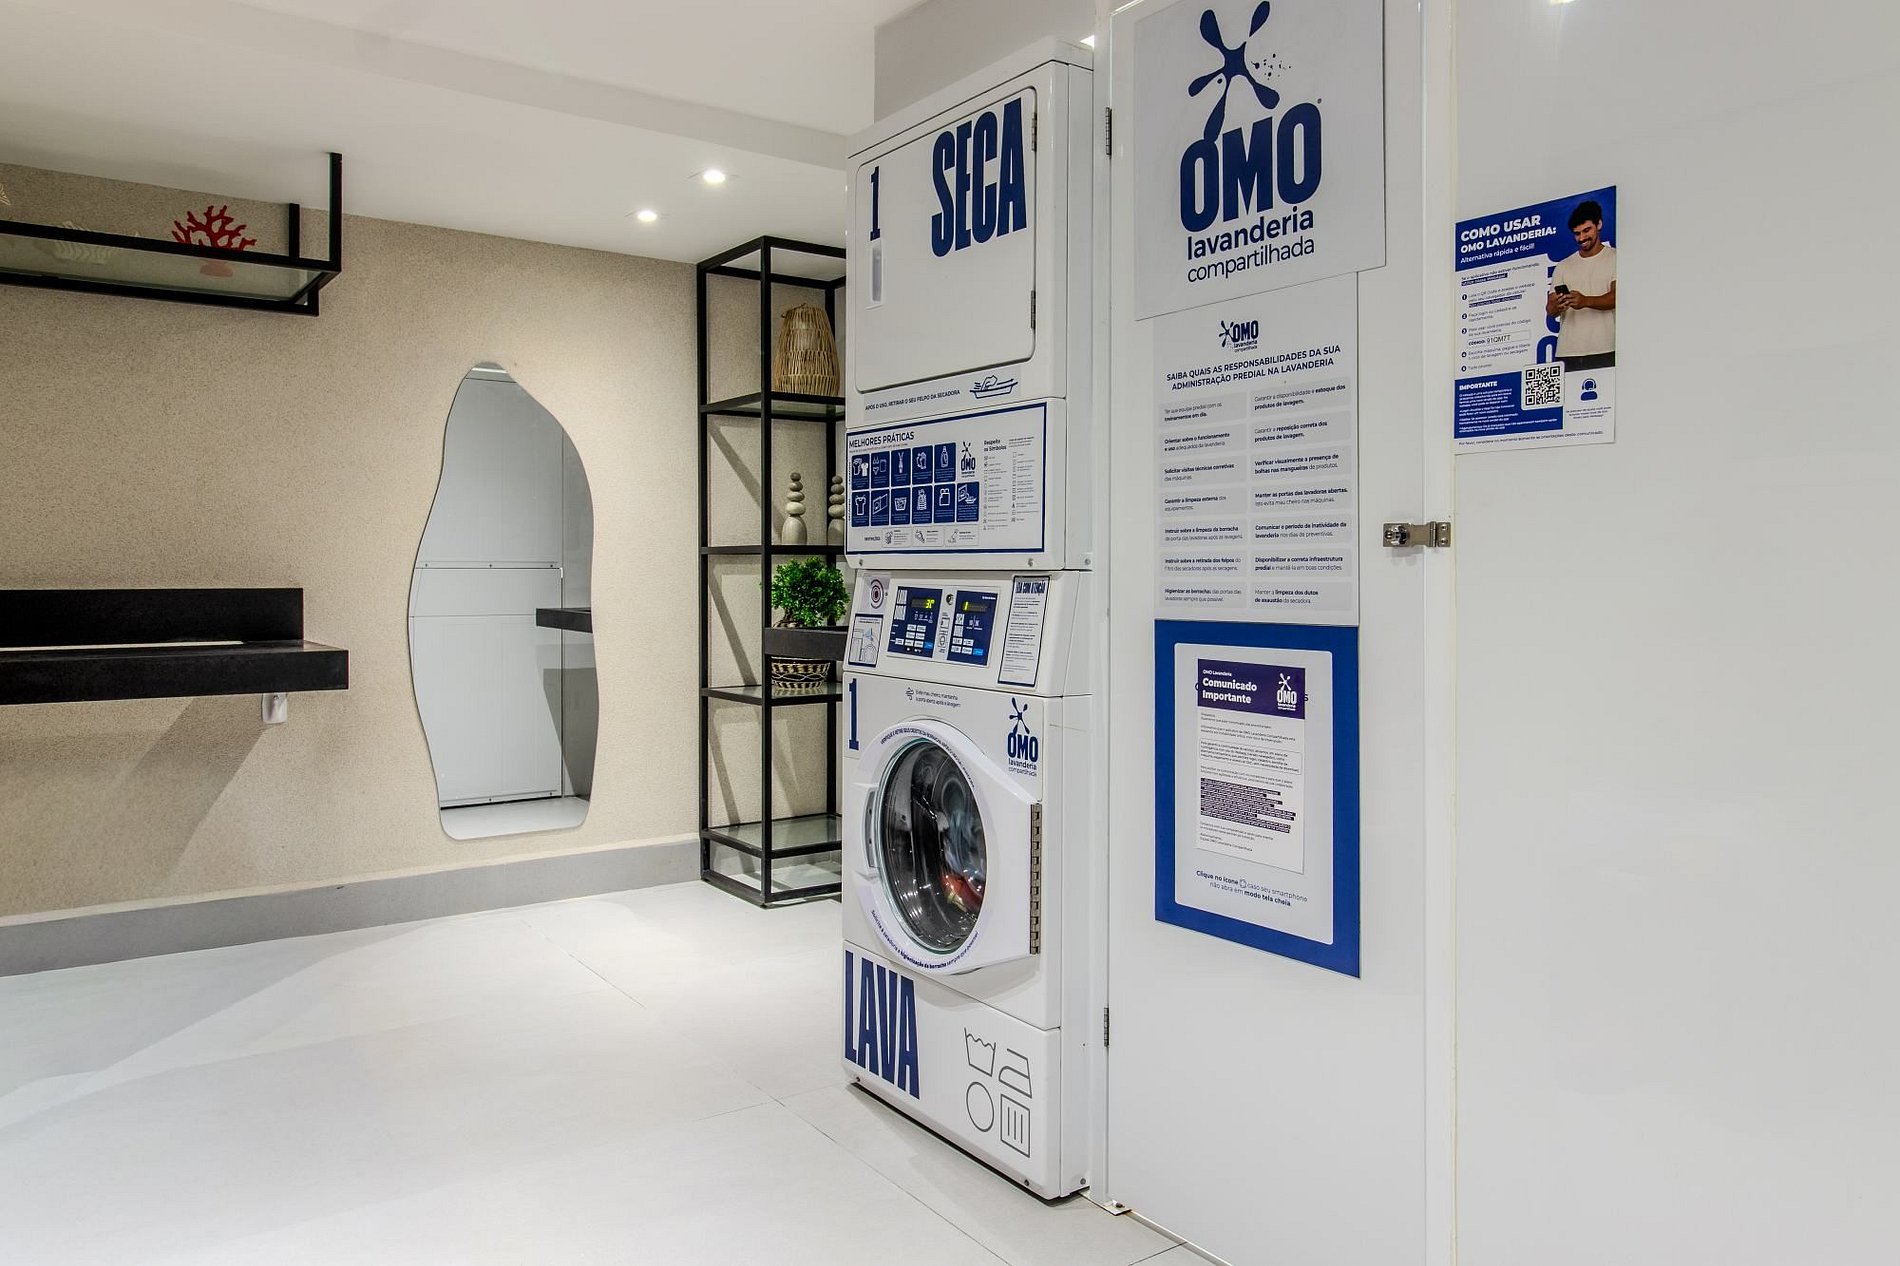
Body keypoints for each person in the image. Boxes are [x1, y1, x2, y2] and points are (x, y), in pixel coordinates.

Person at [1546, 200, 1616, 370]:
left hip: (1606, 348)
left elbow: (1617, 297)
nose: (1582, 238)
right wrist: (1557, 305)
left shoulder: (1615, 257)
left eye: (1586, 230)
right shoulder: (1563, 266)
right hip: (1567, 352)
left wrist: (1585, 301)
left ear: (1599, 224)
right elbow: (1550, 309)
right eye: (1577, 233)